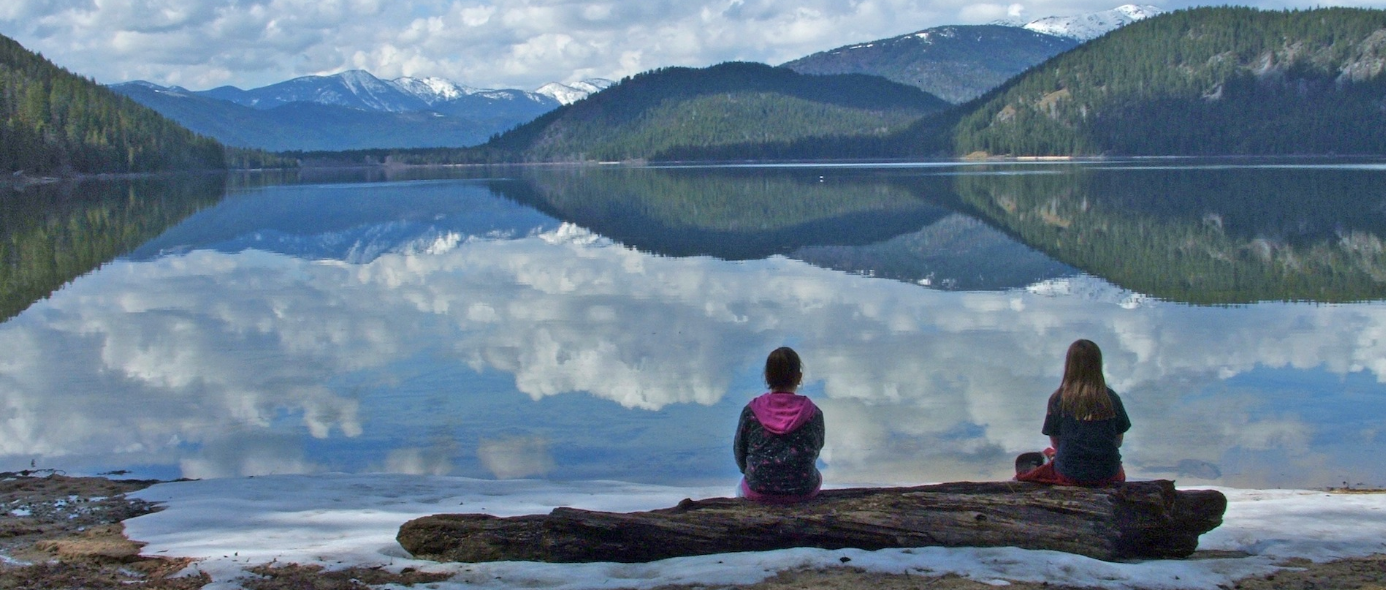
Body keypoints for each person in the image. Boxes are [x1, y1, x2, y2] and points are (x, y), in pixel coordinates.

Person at [1016, 339, 1130, 486]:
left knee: (1049, 456)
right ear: (1098, 364)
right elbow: (1118, 442)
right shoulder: (1111, 398)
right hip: (1108, 475)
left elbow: (1056, 442)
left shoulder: (1057, 399)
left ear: (1069, 365)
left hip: (1070, 475)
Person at [733, 346, 825, 503]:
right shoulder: (813, 412)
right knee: (817, 474)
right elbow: (816, 449)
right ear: (799, 377)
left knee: (738, 487)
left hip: (758, 489)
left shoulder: (751, 411)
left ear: (767, 377)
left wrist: (750, 471)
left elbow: (739, 452)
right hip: (803, 489)